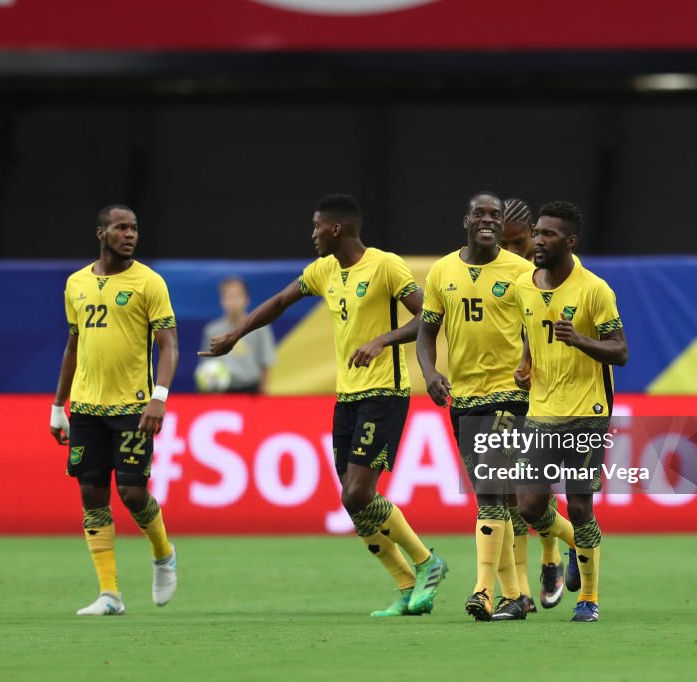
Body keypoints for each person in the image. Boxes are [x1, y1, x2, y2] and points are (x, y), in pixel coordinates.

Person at [201, 193, 447, 617]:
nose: (312, 234)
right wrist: (235, 335)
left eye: (317, 227)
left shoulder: (386, 265)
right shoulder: (323, 271)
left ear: (336, 228)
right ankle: (406, 586)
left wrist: (383, 339)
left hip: (384, 393)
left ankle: (428, 563)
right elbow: (279, 302)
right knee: (354, 503)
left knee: (358, 491)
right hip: (347, 397)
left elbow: (428, 317)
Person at [417, 191, 575, 622]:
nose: (487, 220)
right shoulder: (442, 272)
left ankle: (484, 589)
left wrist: (529, 363)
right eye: (480, 213)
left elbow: (539, 328)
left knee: (490, 490)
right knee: (505, 502)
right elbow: (427, 331)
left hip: (512, 396)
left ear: (501, 224)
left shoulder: (522, 272)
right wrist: (430, 373)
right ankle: (530, 583)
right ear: (466, 219)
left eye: (495, 215)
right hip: (464, 398)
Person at [49, 204, 180, 616]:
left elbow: (169, 345)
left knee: (132, 492)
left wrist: (159, 395)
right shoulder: (76, 284)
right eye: (121, 227)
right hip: (86, 406)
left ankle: (163, 554)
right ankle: (110, 594)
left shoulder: (149, 282)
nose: (130, 234)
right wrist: (58, 405)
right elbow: (74, 345)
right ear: (101, 233)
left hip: (134, 407)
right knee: (91, 494)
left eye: (135, 228)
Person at [512, 200, 628, 623]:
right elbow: (531, 331)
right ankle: (578, 545)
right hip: (541, 409)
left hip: (587, 411)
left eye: (548, 235)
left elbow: (620, 351)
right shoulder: (527, 285)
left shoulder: (594, 290)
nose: (539, 241)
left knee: (580, 506)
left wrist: (580, 340)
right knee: (528, 507)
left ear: (571, 241)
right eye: (537, 233)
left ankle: (589, 600)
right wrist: (526, 363)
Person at [502, 198, 581, 609]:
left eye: (519, 243)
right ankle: (522, 592)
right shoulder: (501, 274)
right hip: (503, 388)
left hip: (544, 393)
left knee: (532, 492)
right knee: (511, 494)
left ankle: (554, 555)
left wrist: (529, 361)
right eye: (506, 246)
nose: (513, 253)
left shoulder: (549, 273)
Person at [198, 276, 276, 393]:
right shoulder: (212, 330)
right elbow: (207, 366)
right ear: (222, 300)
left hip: (252, 391)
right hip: (222, 391)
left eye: (237, 296)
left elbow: (266, 364)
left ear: (246, 299)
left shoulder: (260, 327)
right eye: (228, 297)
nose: (233, 302)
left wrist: (263, 393)